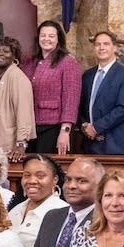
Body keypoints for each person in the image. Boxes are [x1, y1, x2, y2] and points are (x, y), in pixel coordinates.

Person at [24, 20, 81, 156]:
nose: (46, 39)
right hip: (30, 126)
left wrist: (65, 130)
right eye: (43, 35)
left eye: (51, 36)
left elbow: (71, 99)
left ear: (58, 39)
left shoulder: (67, 62)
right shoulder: (30, 62)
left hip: (53, 127)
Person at [79, 30, 124, 155]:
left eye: (106, 44)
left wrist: (96, 127)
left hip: (114, 145)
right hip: (89, 144)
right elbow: (81, 106)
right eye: (98, 44)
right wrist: (85, 126)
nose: (101, 48)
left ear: (114, 47)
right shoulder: (87, 75)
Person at [0, 37, 35, 161]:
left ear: (14, 56)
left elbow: (23, 112)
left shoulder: (17, 77)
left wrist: (21, 144)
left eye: (6, 51)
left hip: (7, 140)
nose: (0, 53)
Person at [8, 154, 67, 247]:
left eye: (40, 176)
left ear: (55, 180)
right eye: (27, 175)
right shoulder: (16, 210)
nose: (32, 181)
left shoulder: (63, 212)